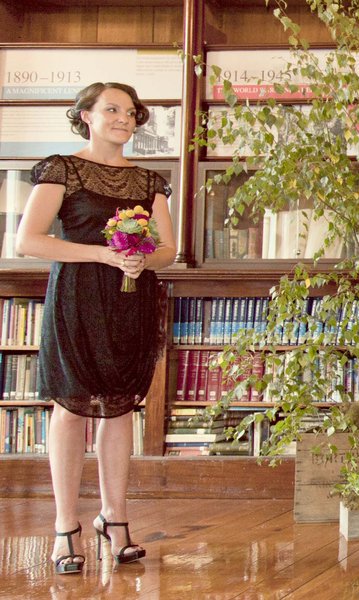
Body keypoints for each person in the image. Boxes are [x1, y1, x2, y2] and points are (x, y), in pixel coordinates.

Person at [17, 82, 176, 575]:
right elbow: (29, 241)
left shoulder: (150, 180)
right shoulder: (61, 169)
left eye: (131, 112)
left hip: (131, 301)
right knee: (69, 407)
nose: (124, 119)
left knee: (120, 409)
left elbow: (168, 250)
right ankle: (67, 527)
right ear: (85, 114)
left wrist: (140, 258)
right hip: (77, 298)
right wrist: (102, 253)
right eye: (112, 109)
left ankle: (116, 519)